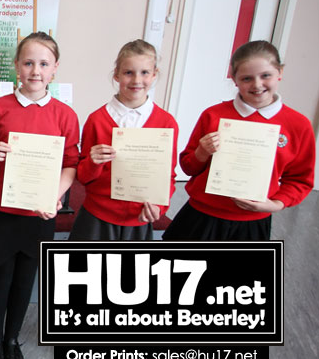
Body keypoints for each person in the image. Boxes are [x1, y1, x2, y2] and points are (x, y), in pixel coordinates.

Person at [0, 32, 79, 359]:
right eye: (29, 63)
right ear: (17, 66)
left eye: (44, 64)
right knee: (0, 275)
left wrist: (55, 194)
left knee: (25, 278)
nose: (36, 70)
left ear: (55, 68)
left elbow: (70, 164)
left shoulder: (65, 115)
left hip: (39, 210)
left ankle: (12, 340)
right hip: (0, 209)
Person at [163, 40, 314, 240]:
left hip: (252, 221)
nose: (257, 84)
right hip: (202, 214)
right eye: (247, 78)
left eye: (265, 75)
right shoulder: (213, 115)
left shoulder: (298, 124)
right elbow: (188, 167)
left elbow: (300, 179)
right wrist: (202, 152)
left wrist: (277, 203)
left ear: (280, 72)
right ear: (234, 79)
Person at [69, 39, 178, 240]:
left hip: (138, 218)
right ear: (117, 75)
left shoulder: (166, 122)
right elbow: (83, 177)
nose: (137, 80)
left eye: (144, 72)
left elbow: (167, 175)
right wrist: (93, 162)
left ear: (154, 74)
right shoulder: (97, 120)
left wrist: (159, 206)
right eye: (129, 72)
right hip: (98, 216)